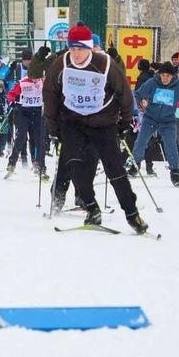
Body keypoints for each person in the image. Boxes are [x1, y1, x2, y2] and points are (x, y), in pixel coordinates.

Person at [43, 22, 148, 233]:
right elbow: (50, 94)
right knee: (74, 165)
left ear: (90, 47)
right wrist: (53, 127)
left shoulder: (105, 64)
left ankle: (132, 214)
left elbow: (124, 93)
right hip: (72, 121)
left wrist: (125, 122)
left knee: (114, 169)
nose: (76, 53)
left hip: (103, 122)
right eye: (72, 48)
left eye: (81, 48)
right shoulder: (61, 64)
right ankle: (91, 207)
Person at [131, 61, 179, 186]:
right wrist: (141, 103)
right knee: (141, 141)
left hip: (168, 121)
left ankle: (175, 173)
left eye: (167, 76)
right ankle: (134, 165)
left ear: (172, 76)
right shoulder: (152, 83)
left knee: (171, 146)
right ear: (159, 74)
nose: (165, 78)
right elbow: (137, 94)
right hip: (150, 118)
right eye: (162, 75)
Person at [5, 72, 47, 179]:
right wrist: (12, 102)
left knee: (40, 139)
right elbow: (10, 95)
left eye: (39, 77)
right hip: (24, 112)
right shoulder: (23, 82)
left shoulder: (43, 82)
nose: (37, 79)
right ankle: (11, 163)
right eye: (35, 76)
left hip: (38, 112)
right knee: (21, 137)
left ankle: (41, 166)